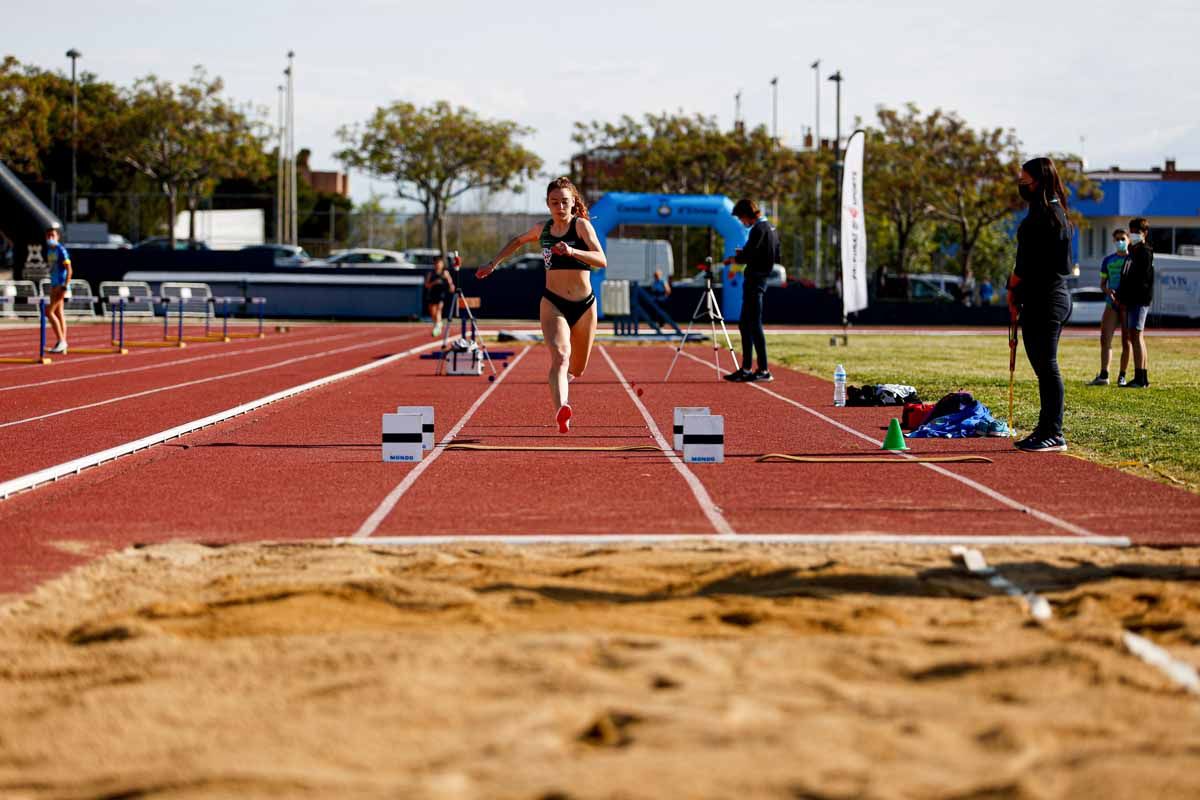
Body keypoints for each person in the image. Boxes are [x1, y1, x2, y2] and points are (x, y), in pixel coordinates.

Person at [476, 177, 607, 433]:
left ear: (573, 203)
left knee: (578, 368)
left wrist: (571, 251)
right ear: (548, 204)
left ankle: (565, 385)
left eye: (564, 202)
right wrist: (493, 263)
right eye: (554, 202)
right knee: (560, 356)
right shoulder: (542, 229)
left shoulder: (581, 227)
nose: (560, 207)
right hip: (553, 302)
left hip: (584, 305)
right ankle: (562, 409)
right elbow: (517, 241)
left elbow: (601, 259)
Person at [1007, 157, 1073, 452]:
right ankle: (1045, 428)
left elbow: (1023, 266)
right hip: (1044, 297)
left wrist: (1011, 289)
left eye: (1025, 180)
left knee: (1047, 367)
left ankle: (1053, 432)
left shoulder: (1044, 218)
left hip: (1047, 299)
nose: (1021, 184)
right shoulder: (1053, 213)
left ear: (1039, 181)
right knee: (1043, 367)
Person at [722, 198, 780, 383]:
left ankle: (762, 369)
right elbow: (773, 254)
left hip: (755, 280)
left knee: (753, 325)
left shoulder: (758, 229)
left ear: (746, 215)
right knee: (746, 325)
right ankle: (748, 368)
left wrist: (735, 258)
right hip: (760, 279)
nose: (741, 222)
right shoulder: (771, 228)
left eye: (741, 218)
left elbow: (748, 254)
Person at [1089, 229, 1132, 386]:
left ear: (1128, 240)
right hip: (1111, 303)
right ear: (1113, 242)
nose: (1120, 242)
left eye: (1123, 238)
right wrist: (1108, 291)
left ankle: (1122, 376)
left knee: (1126, 341)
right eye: (1117, 239)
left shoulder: (1132, 259)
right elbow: (1102, 284)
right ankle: (1104, 374)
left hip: (1127, 304)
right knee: (1105, 338)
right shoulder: (1108, 260)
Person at [1117, 217, 1154, 388]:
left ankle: (1141, 377)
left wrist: (1129, 296)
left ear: (1144, 233)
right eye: (1131, 231)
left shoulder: (1144, 251)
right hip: (1132, 300)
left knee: (1137, 336)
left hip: (1139, 300)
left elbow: (1141, 279)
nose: (1133, 235)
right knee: (1136, 336)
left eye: (1137, 232)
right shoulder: (1133, 250)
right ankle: (1142, 376)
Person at [44, 227, 72, 354]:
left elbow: (70, 270)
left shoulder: (61, 250)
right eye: (48, 236)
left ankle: (61, 341)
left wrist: (65, 285)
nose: (50, 238)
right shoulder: (50, 250)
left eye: (52, 235)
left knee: (49, 312)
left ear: (58, 237)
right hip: (54, 284)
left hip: (61, 285)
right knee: (59, 313)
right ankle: (63, 343)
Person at [424, 256, 454, 337]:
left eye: (440, 263)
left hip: (441, 294)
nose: (438, 265)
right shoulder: (431, 273)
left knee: (439, 309)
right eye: (436, 263)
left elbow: (450, 283)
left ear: (442, 264)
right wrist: (434, 283)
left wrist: (451, 287)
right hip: (432, 294)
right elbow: (427, 285)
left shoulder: (445, 273)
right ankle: (438, 324)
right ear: (434, 264)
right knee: (432, 311)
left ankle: (438, 326)